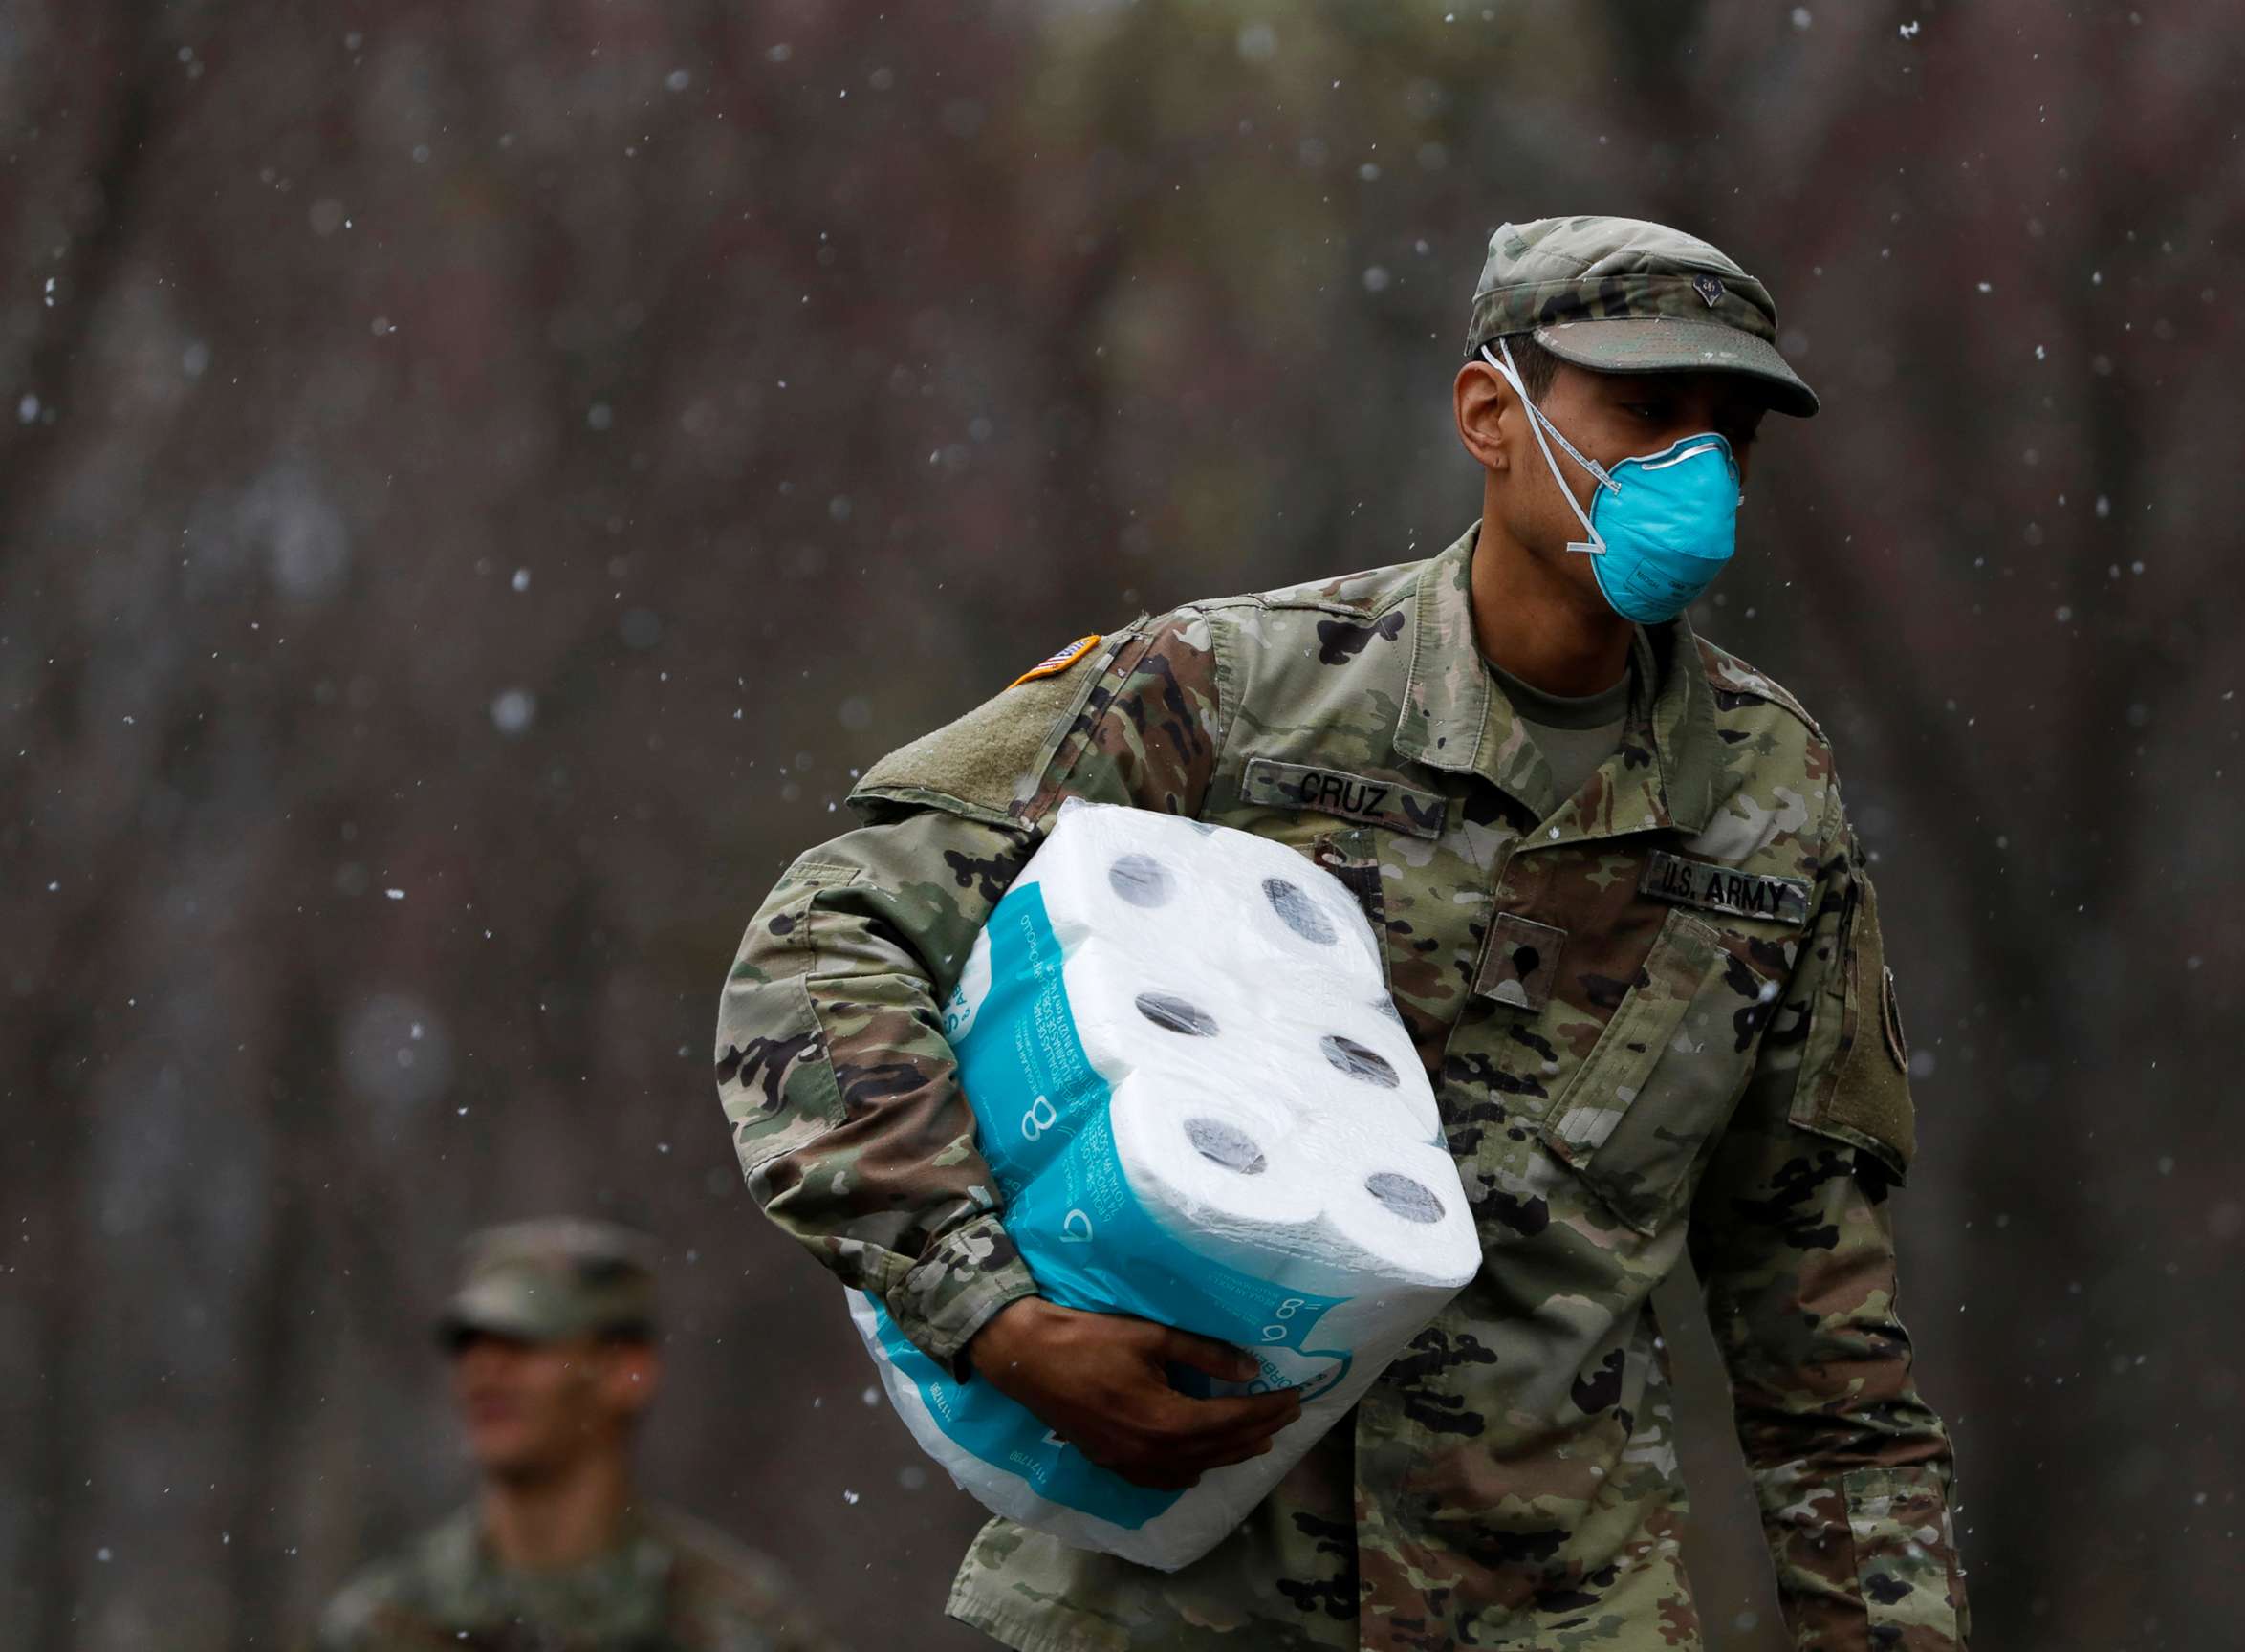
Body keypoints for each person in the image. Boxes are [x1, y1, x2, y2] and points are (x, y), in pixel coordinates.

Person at [714, 215, 1969, 1649]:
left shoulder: (1768, 802)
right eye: (1641, 410)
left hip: (1558, 1609)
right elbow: (828, 935)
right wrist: (990, 1312)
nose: (1693, 468)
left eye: (1727, 431)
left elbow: (1823, 1339)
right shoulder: (1238, 696)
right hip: (1174, 1593)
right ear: (1491, 416)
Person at [315, 1217, 831, 1651]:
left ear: (627, 1372)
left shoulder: (737, 1624)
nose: (483, 1372)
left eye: (523, 1342)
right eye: (469, 1344)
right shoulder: (382, 1624)